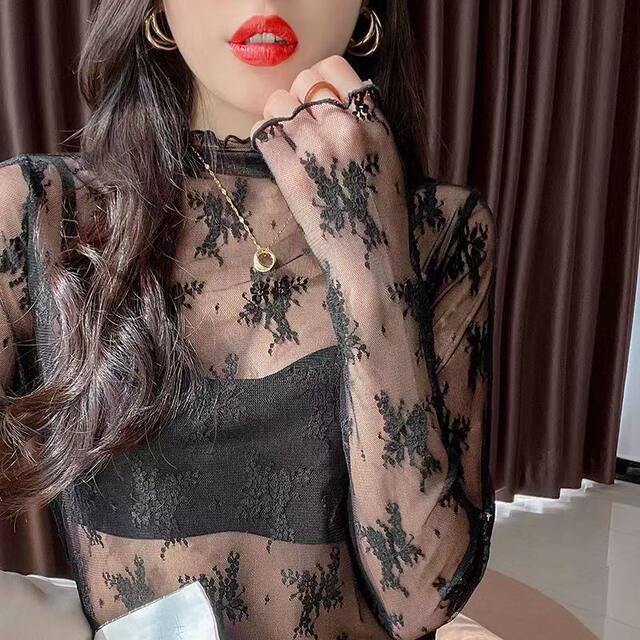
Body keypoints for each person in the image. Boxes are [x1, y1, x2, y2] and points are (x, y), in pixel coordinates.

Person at [0, 1, 500, 638]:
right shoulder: (39, 215)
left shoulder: (442, 230)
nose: (265, 1)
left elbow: (420, 598)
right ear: (157, 9)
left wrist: (369, 259)